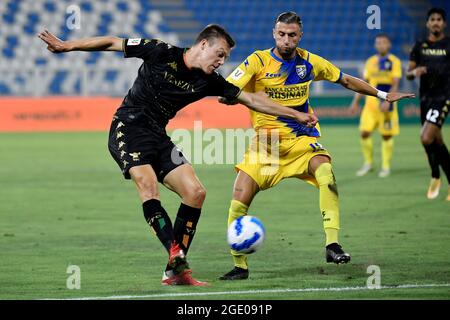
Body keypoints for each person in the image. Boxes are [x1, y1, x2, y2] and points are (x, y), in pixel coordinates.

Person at [38, 24, 319, 286]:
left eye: (225, 57)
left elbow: (254, 100)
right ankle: (175, 252)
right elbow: (113, 42)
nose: (221, 61)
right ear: (203, 45)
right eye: (220, 54)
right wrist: (68, 46)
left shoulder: (210, 81)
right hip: (128, 126)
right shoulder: (160, 51)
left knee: (196, 192)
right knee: (148, 187)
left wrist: (296, 114)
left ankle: (175, 269)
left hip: (158, 135)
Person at [219, 12, 414, 280]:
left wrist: (382, 94)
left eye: (292, 35)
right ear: (274, 34)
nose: (286, 40)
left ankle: (332, 244)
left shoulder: (310, 62)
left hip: (301, 140)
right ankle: (240, 266)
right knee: (239, 200)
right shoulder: (258, 60)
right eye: (281, 34)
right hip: (266, 146)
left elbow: (344, 79)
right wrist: (230, 96)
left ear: (300, 36)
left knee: (326, 172)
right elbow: (231, 87)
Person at [407, 7, 450, 200]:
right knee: (437, 141)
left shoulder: (449, 44)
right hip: (426, 98)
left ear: (444, 23)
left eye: (439, 19)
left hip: (444, 97)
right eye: (432, 19)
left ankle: (435, 175)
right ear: (427, 23)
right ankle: (444, 178)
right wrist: (414, 73)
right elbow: (409, 72)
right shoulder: (419, 46)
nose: (435, 22)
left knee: (425, 137)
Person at [349, 34, 402, 178]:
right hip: (370, 106)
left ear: (389, 45)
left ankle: (385, 166)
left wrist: (387, 101)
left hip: (386, 105)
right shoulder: (370, 61)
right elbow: (363, 84)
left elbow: (395, 83)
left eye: (383, 43)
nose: (381, 45)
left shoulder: (394, 61)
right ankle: (368, 163)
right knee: (364, 133)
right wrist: (355, 102)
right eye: (378, 43)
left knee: (386, 135)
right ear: (375, 45)